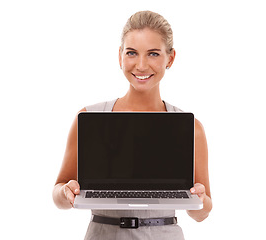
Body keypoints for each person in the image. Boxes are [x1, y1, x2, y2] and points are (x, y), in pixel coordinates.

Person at [52, 10, 212, 239]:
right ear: (120, 56)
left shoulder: (191, 128)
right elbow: (58, 192)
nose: (141, 65)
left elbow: (202, 213)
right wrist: (65, 192)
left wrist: (200, 199)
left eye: (154, 54)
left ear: (171, 58)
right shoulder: (89, 118)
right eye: (132, 53)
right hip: (103, 234)